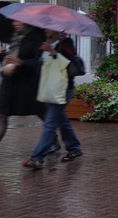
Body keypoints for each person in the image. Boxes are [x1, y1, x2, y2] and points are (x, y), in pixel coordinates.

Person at [0, 20, 46, 162]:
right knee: (1, 114)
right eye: (13, 21)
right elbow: (13, 56)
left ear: (26, 22)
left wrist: (20, 63)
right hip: (9, 80)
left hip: (27, 83)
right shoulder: (15, 35)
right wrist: (3, 54)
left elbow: (37, 62)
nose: (14, 24)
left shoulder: (37, 37)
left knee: (39, 111)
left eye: (18, 21)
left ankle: (53, 137)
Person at [24, 32, 83, 169]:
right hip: (48, 88)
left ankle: (37, 157)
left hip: (63, 89)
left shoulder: (66, 42)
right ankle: (74, 146)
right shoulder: (42, 44)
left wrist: (51, 51)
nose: (46, 30)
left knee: (50, 123)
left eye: (49, 28)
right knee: (61, 120)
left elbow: (67, 62)